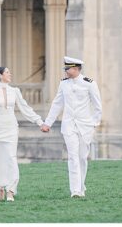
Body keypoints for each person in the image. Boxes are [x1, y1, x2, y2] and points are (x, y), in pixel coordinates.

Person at [40, 55, 102, 198]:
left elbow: (97, 106)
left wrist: (94, 123)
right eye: (66, 68)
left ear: (76, 69)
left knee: (82, 157)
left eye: (68, 68)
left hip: (85, 126)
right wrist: (47, 123)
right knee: (73, 157)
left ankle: (81, 186)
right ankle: (75, 190)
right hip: (69, 126)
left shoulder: (89, 83)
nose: (66, 71)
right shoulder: (64, 84)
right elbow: (57, 104)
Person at [0, 65, 44, 202]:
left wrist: (39, 122)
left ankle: (11, 190)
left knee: (11, 158)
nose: (10, 74)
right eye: (7, 72)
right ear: (0, 75)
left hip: (11, 129)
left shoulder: (15, 91)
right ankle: (1, 188)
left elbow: (25, 108)